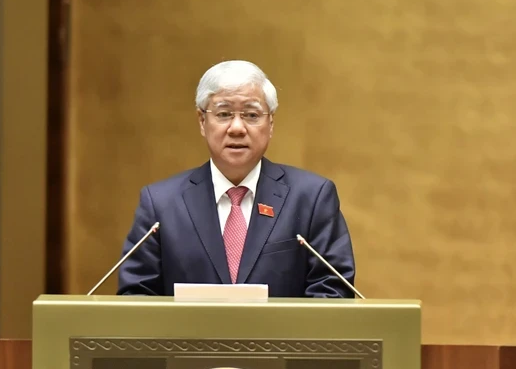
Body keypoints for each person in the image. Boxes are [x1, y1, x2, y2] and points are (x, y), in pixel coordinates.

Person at [116, 60, 356, 297]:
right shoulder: (161, 203)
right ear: (202, 121)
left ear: (270, 123)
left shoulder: (311, 198)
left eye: (252, 114)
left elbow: (333, 292)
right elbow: (137, 295)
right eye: (224, 114)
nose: (237, 128)